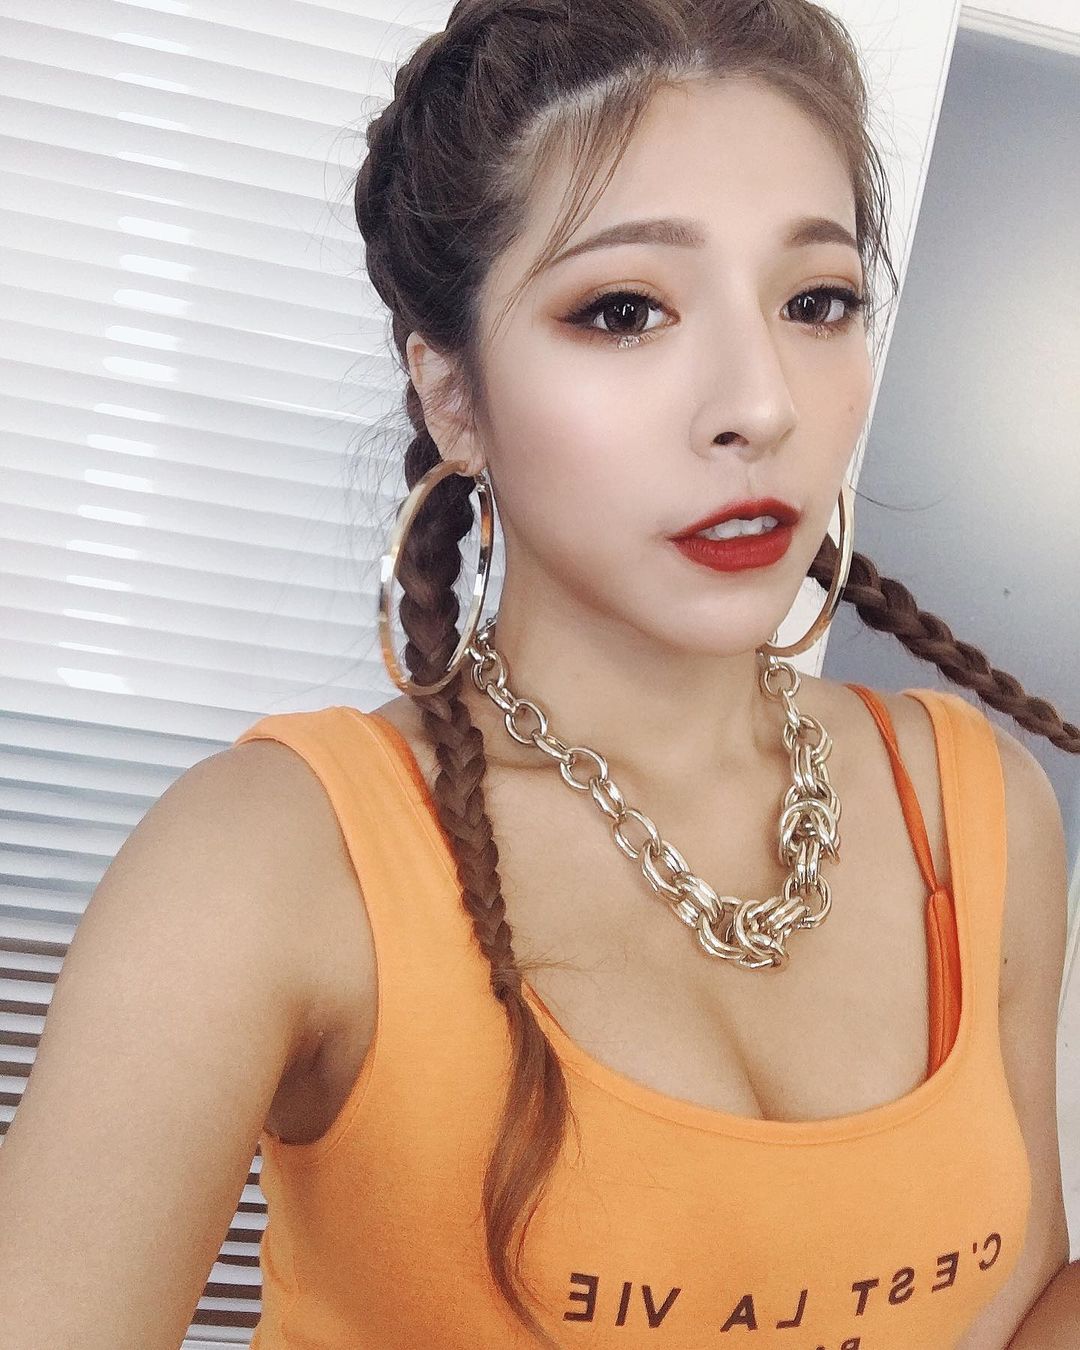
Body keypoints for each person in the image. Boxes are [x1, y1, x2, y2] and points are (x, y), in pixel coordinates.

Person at [0, 2, 1074, 1348]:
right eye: (624, 311)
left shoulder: (978, 810)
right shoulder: (268, 867)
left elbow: (1016, 1305)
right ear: (454, 395)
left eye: (816, 301)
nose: (761, 403)